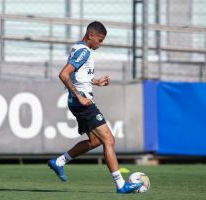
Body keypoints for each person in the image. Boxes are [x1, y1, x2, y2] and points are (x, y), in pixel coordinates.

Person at [47, 21, 142, 193]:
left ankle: (59, 161)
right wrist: (80, 97)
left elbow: (78, 76)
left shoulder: (80, 48)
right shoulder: (84, 52)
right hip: (82, 102)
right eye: (100, 39)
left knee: (96, 141)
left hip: (79, 101)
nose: (101, 43)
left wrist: (95, 81)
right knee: (109, 140)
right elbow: (63, 74)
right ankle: (121, 185)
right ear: (91, 35)